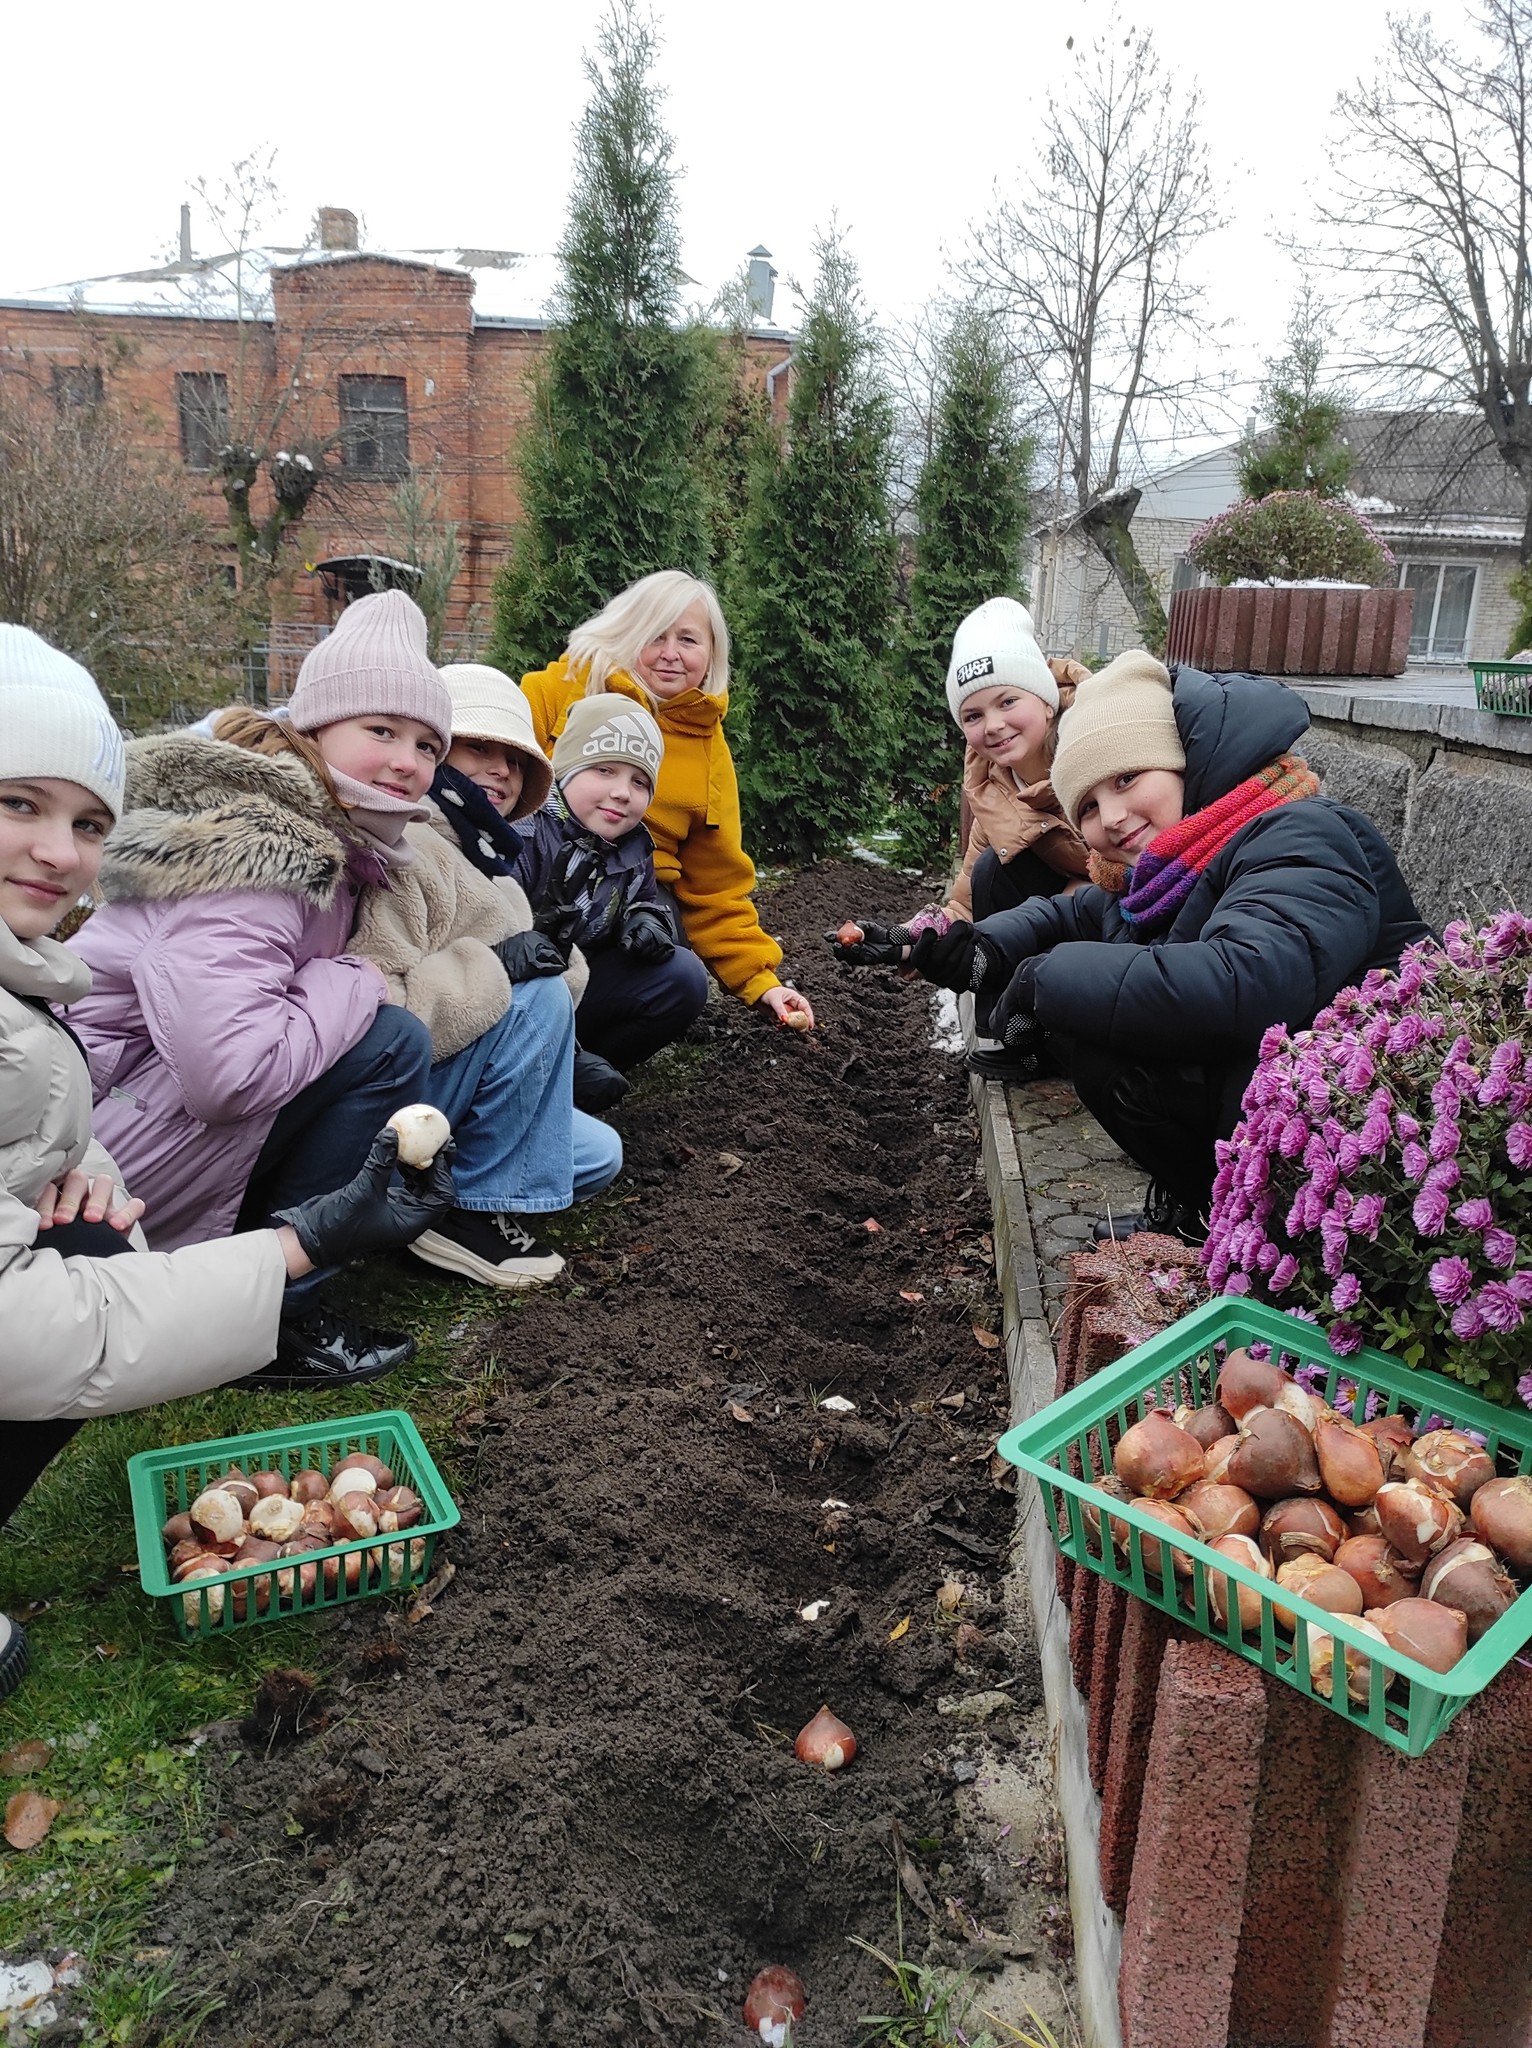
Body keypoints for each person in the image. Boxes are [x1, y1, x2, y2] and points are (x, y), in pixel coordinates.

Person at [0, 624, 453, 1700]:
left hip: (135, 1147)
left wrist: (87, 1163)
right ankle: (276, 1324)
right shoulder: (261, 854)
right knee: (379, 1037)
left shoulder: (340, 844)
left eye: (84, 822)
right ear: (312, 726)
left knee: (88, 1229)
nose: (61, 854)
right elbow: (227, 1073)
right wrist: (300, 1243)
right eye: (17, 804)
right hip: (179, 1137)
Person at [896, 653, 1432, 1240]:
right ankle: (1209, 1210)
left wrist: (1042, 980)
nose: (1116, 817)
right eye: (1090, 807)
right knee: (1098, 1016)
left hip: (1374, 1138)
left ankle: (1248, 1225)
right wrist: (975, 946)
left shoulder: (1302, 831)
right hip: (1282, 1105)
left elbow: (1244, 984)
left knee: (1099, 1023)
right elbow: (1067, 911)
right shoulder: (1166, 864)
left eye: (1127, 779)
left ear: (1179, 763)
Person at [520, 571, 815, 1063]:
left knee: (676, 963)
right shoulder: (562, 689)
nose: (670, 653)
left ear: (711, 655)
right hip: (531, 882)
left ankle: (575, 1074)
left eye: (688, 639)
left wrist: (760, 981)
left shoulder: (707, 749)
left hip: (626, 908)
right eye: (656, 635)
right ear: (628, 631)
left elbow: (716, 884)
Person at [830, 597, 1090, 1078]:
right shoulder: (991, 784)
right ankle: (1019, 1034)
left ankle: (1063, 1030)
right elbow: (968, 900)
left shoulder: (1093, 748)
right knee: (995, 870)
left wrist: (1074, 904)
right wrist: (904, 942)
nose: (993, 725)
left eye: (1008, 701)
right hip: (1063, 915)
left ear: (1046, 700)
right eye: (972, 715)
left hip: (1122, 913)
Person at [430, 663, 628, 1113]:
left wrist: (555, 951)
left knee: (600, 1154)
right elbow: (391, 1016)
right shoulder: (412, 846)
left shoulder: (489, 855)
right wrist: (500, 964)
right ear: (433, 749)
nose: (501, 770)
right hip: (411, 1083)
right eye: (479, 747)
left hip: (480, 1043)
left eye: (516, 760)